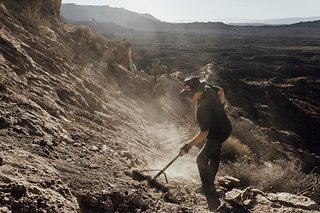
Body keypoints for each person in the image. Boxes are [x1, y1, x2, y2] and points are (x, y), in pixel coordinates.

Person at [179, 76, 232, 211]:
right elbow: (220, 90)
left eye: (190, 94)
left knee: (201, 159)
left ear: (198, 90)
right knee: (213, 155)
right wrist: (219, 108)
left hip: (218, 133)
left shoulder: (203, 108)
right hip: (225, 127)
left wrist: (187, 146)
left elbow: (204, 133)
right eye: (186, 93)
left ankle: (208, 190)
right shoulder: (207, 88)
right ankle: (210, 183)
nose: (188, 97)